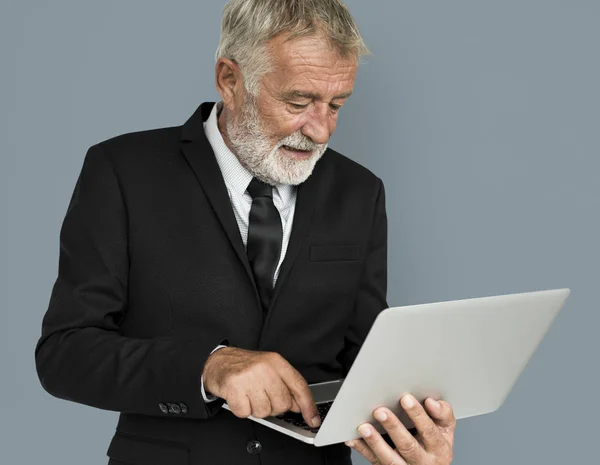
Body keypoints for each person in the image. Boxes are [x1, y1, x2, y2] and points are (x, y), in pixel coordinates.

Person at [34, 1, 456, 464]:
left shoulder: (360, 192)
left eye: (336, 105)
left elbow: (364, 365)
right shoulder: (122, 171)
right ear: (229, 80)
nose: (320, 131)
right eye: (298, 102)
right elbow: (65, 354)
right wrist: (208, 365)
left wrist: (410, 435)